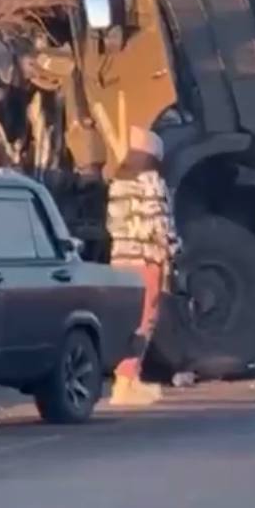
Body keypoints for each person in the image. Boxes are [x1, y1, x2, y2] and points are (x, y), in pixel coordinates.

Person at [107, 126, 180, 406]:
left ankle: (122, 378)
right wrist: (174, 250)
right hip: (147, 258)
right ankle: (128, 382)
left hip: (121, 258)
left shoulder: (118, 182)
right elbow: (159, 224)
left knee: (126, 320)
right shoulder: (151, 181)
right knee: (145, 320)